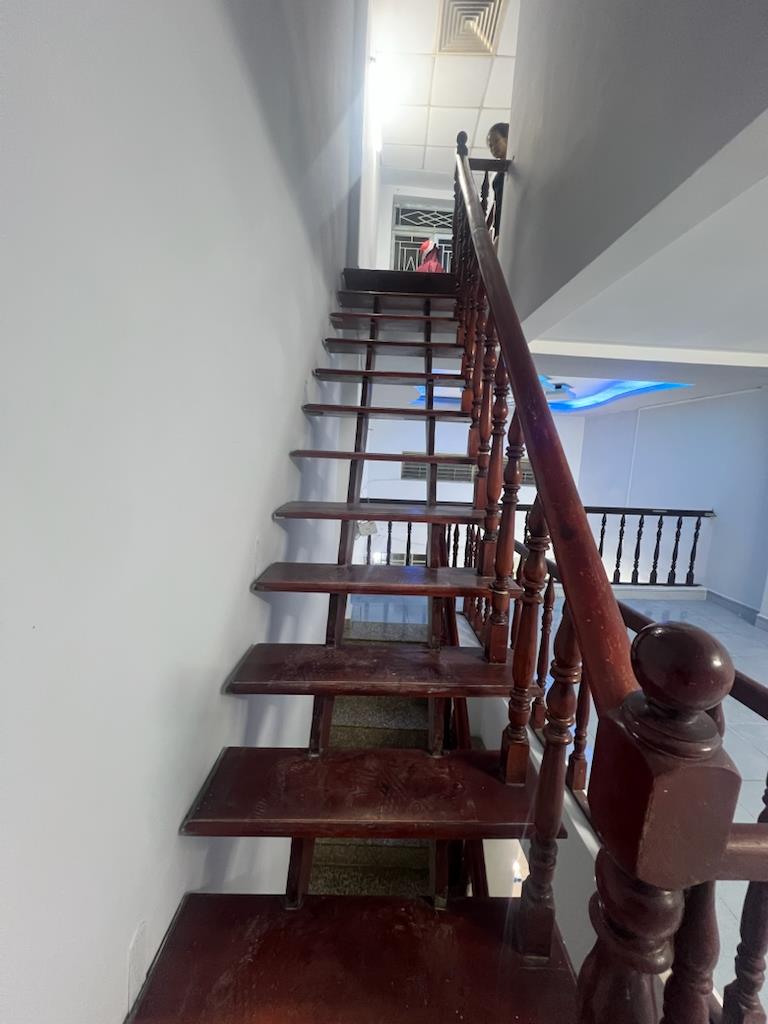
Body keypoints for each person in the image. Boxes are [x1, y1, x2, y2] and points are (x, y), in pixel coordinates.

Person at [486, 121, 509, 237]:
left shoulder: (515, 166)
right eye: (490, 146)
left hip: (508, 224)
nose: (493, 148)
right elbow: (496, 203)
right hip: (500, 227)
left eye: (496, 141)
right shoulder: (498, 174)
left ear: (507, 139)